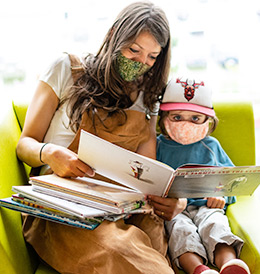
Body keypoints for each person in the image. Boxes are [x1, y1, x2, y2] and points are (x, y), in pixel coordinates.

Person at [16, 2, 186, 273]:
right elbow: (25, 144)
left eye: (152, 57)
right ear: (113, 35)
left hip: (121, 205)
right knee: (123, 253)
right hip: (63, 205)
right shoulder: (66, 68)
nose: (141, 64)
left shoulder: (148, 97)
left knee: (152, 237)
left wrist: (175, 198)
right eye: (133, 50)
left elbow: (146, 172)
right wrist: (49, 154)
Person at [156, 77, 251, 274]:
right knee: (181, 231)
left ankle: (229, 265)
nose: (186, 124)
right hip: (175, 212)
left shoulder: (212, 146)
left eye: (195, 118)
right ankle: (199, 270)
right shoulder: (157, 146)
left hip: (206, 207)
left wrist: (222, 196)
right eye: (177, 117)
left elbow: (233, 181)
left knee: (216, 225)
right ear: (164, 118)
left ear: (208, 121)